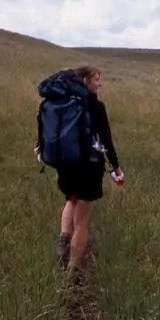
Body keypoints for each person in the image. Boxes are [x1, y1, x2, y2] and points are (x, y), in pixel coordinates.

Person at [35, 65, 123, 285]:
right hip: (88, 166)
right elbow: (106, 141)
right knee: (82, 221)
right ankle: (72, 271)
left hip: (63, 164)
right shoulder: (96, 106)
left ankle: (63, 241)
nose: (99, 83)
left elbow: (41, 133)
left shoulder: (52, 103)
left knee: (70, 200)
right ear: (85, 81)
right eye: (96, 79)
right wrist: (116, 167)